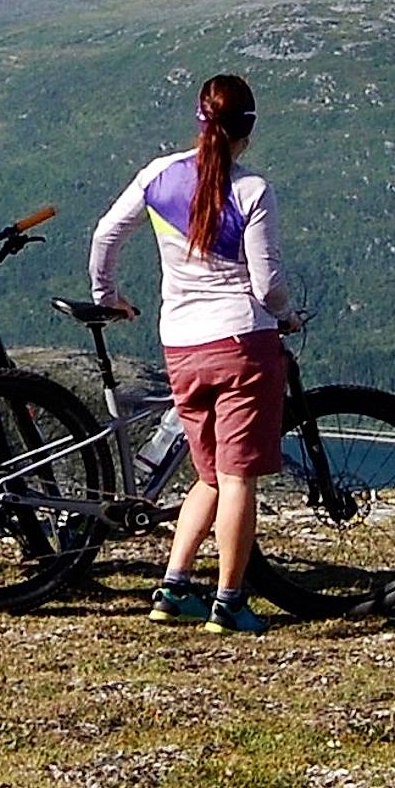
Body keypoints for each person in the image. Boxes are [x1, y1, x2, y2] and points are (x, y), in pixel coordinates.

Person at [85, 72, 295, 633]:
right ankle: (229, 601)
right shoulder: (251, 190)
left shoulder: (159, 175)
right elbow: (266, 284)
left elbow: (107, 234)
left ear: (200, 120)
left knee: (207, 475)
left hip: (181, 344)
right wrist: (288, 315)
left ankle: (174, 587)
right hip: (241, 345)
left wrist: (106, 295)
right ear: (247, 130)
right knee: (237, 479)